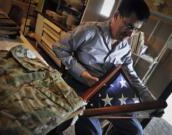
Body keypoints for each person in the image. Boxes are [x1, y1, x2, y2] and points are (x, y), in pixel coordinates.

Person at [53, 0, 155, 134]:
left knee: (135, 131)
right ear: (116, 15)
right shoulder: (89, 31)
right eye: (129, 26)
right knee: (91, 132)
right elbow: (59, 48)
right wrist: (83, 73)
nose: (130, 34)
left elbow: (132, 75)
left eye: (135, 29)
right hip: (77, 86)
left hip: (103, 92)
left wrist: (148, 98)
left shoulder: (125, 49)